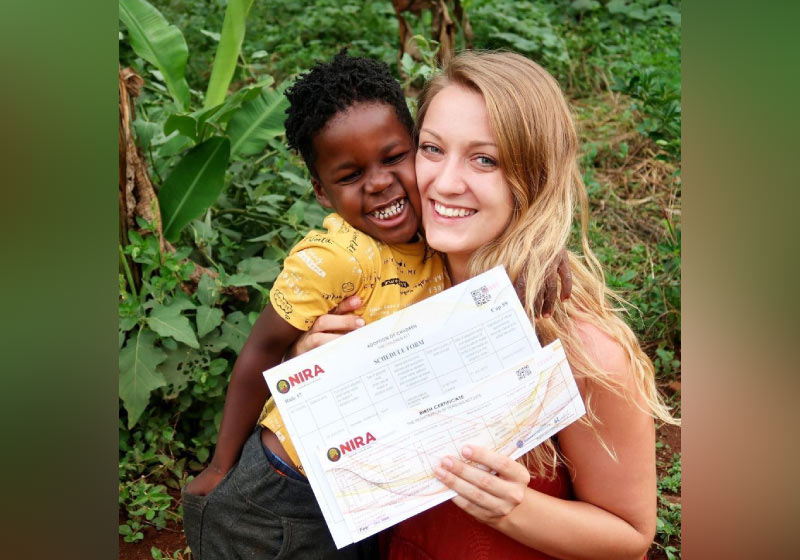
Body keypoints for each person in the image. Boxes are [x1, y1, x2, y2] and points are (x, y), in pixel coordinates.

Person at [181, 51, 570, 560]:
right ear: (321, 192)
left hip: (366, 488)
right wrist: (218, 465)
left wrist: (545, 252)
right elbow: (259, 352)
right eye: (350, 175)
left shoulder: (434, 234)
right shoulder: (335, 259)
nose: (380, 181)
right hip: (284, 490)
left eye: (394, 158)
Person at [297, 51, 678, 560]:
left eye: (485, 159)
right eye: (432, 149)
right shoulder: (386, 293)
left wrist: (513, 506)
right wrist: (313, 360)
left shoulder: (582, 350)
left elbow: (631, 536)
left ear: (533, 177)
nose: (445, 181)